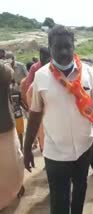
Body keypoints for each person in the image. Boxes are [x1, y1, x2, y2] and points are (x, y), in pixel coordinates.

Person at [23, 25, 93, 214]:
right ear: (50, 47)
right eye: (58, 47)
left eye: (68, 46)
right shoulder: (41, 77)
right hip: (55, 153)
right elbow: (35, 115)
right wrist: (27, 148)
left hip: (84, 148)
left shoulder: (88, 73)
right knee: (59, 204)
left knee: (79, 194)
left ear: (73, 46)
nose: (63, 52)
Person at [0, 62, 24, 210]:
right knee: (12, 161)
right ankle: (15, 187)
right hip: (5, 125)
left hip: (5, 126)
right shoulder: (4, 70)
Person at [10, 80, 28, 149]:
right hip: (16, 116)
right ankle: (20, 148)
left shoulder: (16, 92)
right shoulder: (15, 92)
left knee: (19, 133)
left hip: (16, 116)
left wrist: (27, 108)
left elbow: (20, 102)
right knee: (19, 133)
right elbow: (21, 102)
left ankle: (20, 148)